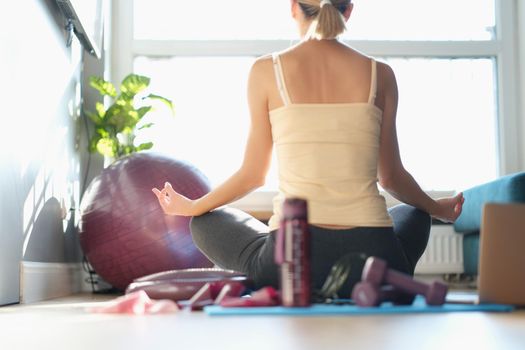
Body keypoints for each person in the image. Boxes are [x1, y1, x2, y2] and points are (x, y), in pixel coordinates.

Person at [152, 0, 464, 297]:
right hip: (374, 259)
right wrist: (438, 209)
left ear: (293, 7)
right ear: (349, 11)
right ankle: (383, 278)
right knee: (415, 213)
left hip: (290, 263)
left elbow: (253, 175)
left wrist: (193, 206)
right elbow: (392, 178)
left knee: (205, 222)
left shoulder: (265, 70)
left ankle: (278, 279)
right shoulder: (380, 74)